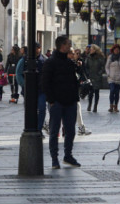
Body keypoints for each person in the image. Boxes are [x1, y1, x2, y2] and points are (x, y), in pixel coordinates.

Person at [43, 35, 81, 169]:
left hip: (70, 101)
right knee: (54, 131)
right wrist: (51, 100)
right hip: (57, 101)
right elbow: (45, 82)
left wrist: (76, 98)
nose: (70, 46)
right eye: (68, 44)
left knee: (70, 130)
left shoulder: (70, 63)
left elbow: (74, 82)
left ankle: (68, 155)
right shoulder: (50, 62)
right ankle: (54, 158)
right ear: (62, 46)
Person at [71, 49, 91, 136]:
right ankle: (50, 125)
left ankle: (81, 127)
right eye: (74, 53)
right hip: (66, 91)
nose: (76, 55)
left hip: (73, 90)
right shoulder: (67, 63)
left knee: (77, 106)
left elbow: (79, 75)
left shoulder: (77, 63)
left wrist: (79, 67)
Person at [105, 44, 120, 113]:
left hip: (119, 78)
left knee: (117, 92)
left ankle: (116, 106)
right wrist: (108, 74)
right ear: (113, 50)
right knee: (112, 91)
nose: (116, 51)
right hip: (111, 77)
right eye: (115, 50)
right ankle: (111, 106)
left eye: (118, 50)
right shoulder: (110, 57)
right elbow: (107, 67)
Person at [85, 44, 105, 113]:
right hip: (90, 76)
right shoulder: (88, 57)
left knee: (96, 92)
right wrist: (87, 74)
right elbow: (86, 66)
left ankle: (95, 106)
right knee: (90, 92)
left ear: (95, 50)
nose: (90, 50)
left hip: (97, 77)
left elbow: (103, 67)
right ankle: (90, 104)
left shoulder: (100, 57)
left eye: (91, 49)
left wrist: (99, 74)